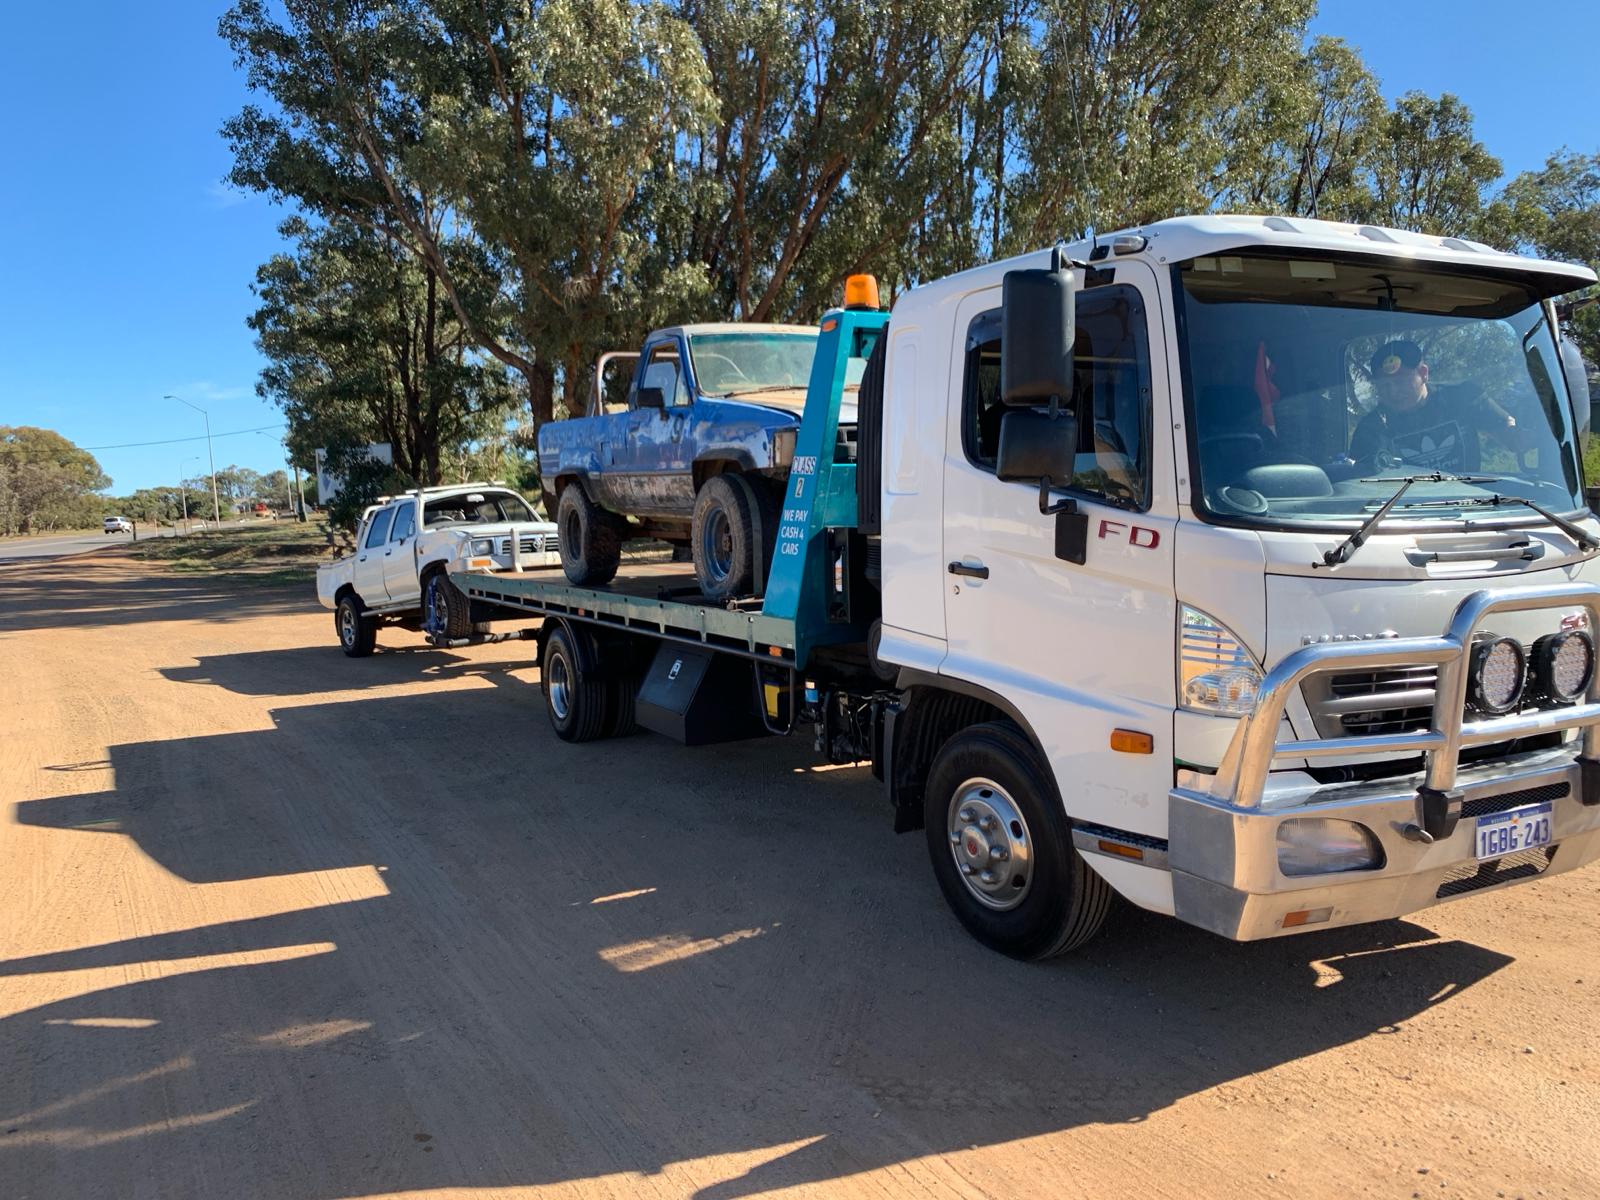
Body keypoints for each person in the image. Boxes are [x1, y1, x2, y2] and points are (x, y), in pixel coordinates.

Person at [1348, 339, 1517, 473]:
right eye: (1385, 385)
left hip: (1472, 502)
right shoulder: (1371, 429)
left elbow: (1512, 434)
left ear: (1423, 374)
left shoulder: (1461, 399)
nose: (1393, 392)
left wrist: (1519, 433)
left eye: (1400, 382)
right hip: (1399, 506)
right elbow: (1358, 482)